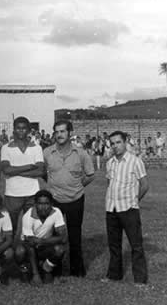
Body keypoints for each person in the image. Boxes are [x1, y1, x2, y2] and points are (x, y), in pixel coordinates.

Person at [43, 120, 94, 277]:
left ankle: (77, 270)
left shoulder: (81, 153)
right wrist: (53, 184)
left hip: (75, 199)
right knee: (54, 236)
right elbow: (42, 172)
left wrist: (77, 186)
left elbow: (90, 174)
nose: (59, 135)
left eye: (63, 131)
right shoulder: (47, 152)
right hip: (55, 200)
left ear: (70, 133)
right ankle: (55, 269)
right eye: (57, 132)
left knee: (74, 235)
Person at [104, 131, 149, 285]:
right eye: (112, 143)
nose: (115, 146)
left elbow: (144, 185)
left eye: (118, 142)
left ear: (125, 143)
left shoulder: (135, 161)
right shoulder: (110, 163)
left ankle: (140, 279)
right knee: (114, 245)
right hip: (111, 209)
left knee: (136, 245)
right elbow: (109, 184)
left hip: (129, 209)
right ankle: (114, 275)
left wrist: (134, 201)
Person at [0, 116, 44, 247]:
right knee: (10, 227)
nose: (21, 131)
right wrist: (29, 166)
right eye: (18, 128)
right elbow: (6, 170)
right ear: (14, 130)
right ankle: (9, 252)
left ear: (29, 130)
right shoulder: (6, 148)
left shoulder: (36, 147)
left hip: (32, 193)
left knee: (30, 227)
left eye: (24, 128)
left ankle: (27, 254)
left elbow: (40, 171)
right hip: (12, 194)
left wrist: (15, 171)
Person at [17, 190, 67, 285]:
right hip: (29, 247)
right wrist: (36, 274)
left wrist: (42, 241)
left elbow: (63, 238)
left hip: (44, 244)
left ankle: (46, 269)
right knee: (19, 252)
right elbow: (30, 243)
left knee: (59, 249)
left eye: (46, 204)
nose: (43, 207)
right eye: (40, 204)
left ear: (51, 204)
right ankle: (26, 271)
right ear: (35, 204)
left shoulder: (56, 212)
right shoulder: (28, 216)